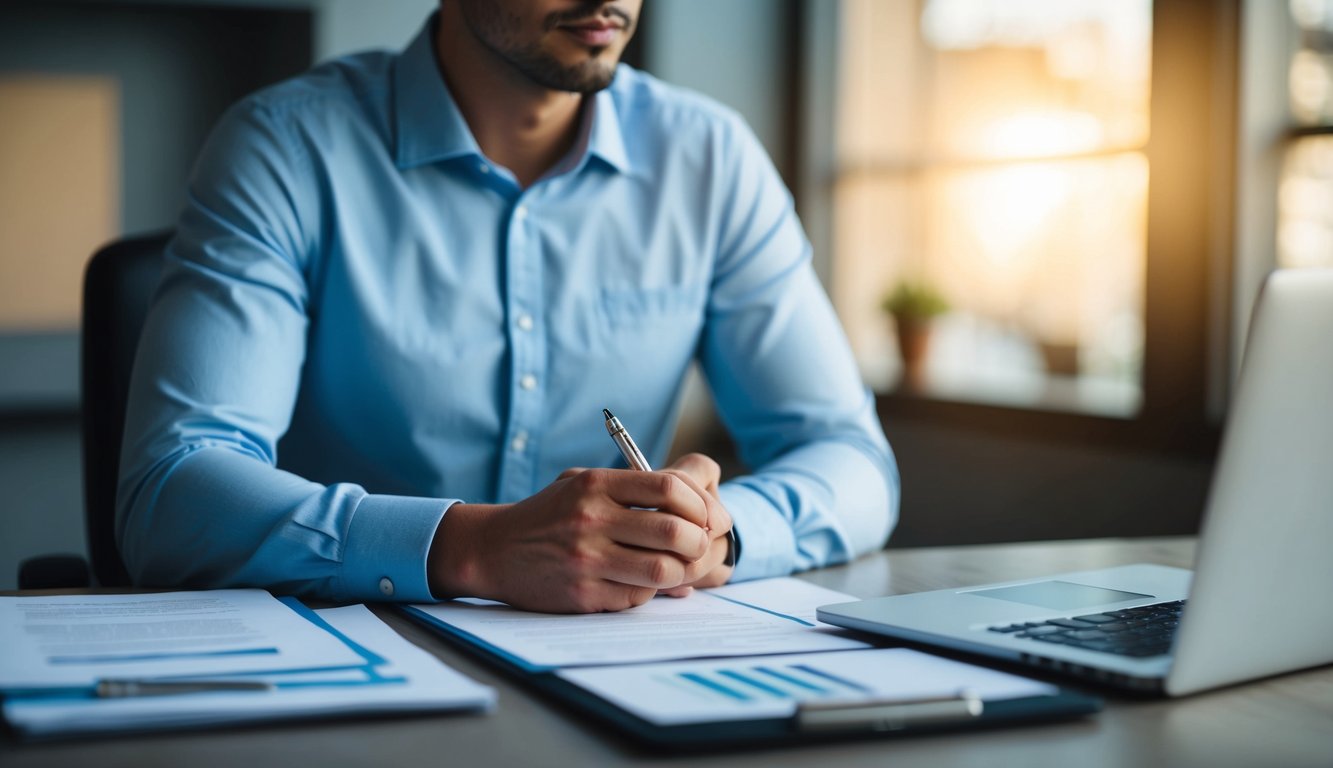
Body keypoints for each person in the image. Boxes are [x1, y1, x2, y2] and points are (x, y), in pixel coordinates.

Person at [117, 0, 899, 613]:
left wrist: (715, 539)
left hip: (621, 661)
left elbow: (852, 460)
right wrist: (471, 548)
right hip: (349, 666)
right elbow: (173, 490)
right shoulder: (285, 148)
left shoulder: (710, 159)